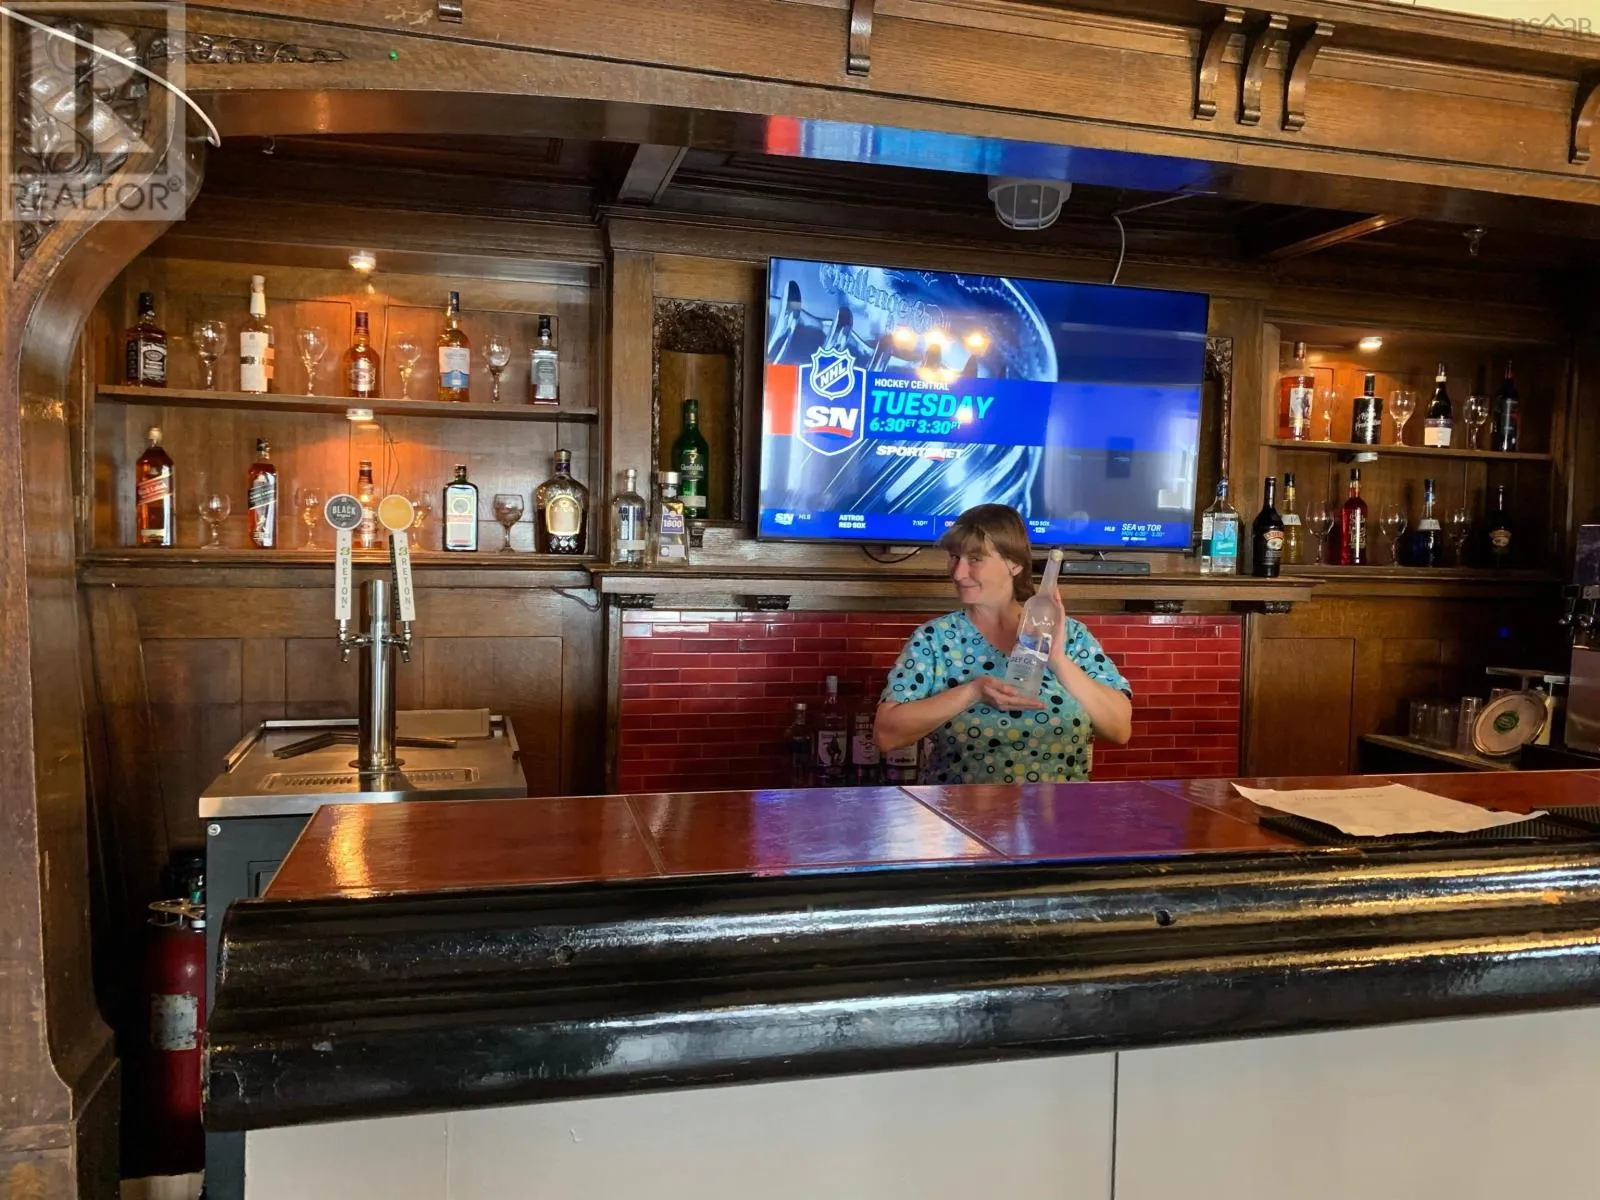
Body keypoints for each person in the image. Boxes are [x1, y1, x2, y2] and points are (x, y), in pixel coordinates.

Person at [874, 504, 1133, 784]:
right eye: (954, 557)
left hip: (1058, 809)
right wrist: (973, 692)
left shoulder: (1071, 635)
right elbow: (886, 735)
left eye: (975, 559)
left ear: (1014, 564)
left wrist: (1058, 659)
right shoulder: (935, 638)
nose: (958, 573)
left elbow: (1119, 729)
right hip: (962, 809)